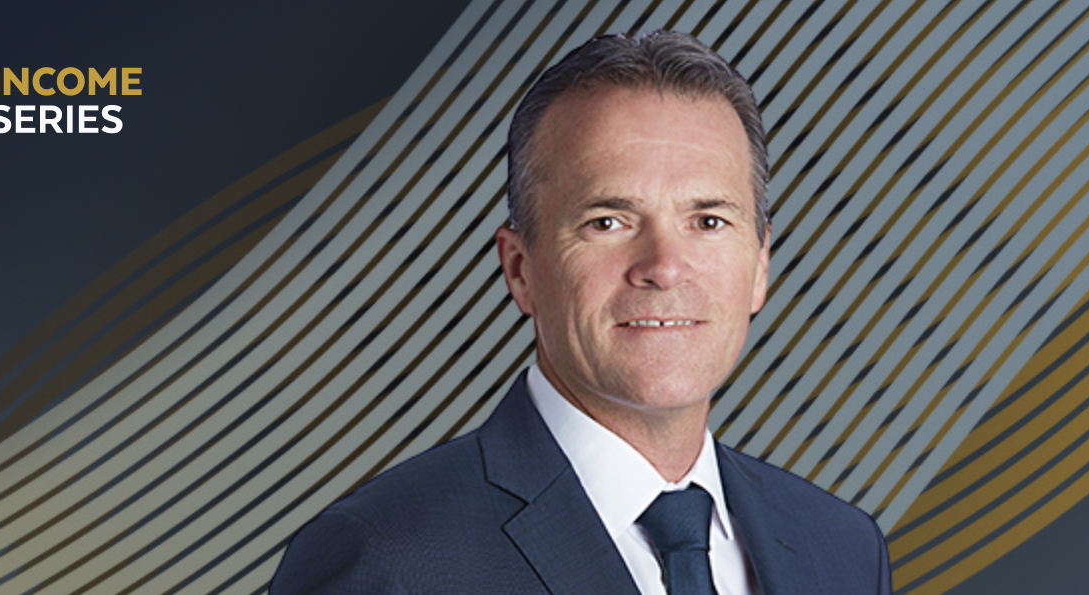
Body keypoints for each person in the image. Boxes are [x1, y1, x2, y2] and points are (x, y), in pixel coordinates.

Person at [270, 30, 891, 595]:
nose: (664, 267)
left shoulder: (841, 548)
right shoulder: (387, 557)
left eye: (708, 221)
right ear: (521, 270)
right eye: (607, 222)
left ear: (759, 267)